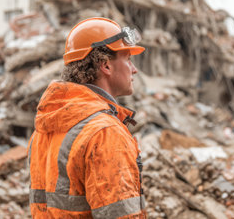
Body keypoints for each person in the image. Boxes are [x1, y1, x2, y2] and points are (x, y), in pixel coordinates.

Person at [27, 17, 146, 218]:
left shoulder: (45, 129)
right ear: (105, 65)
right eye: (127, 59)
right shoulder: (105, 132)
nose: (134, 69)